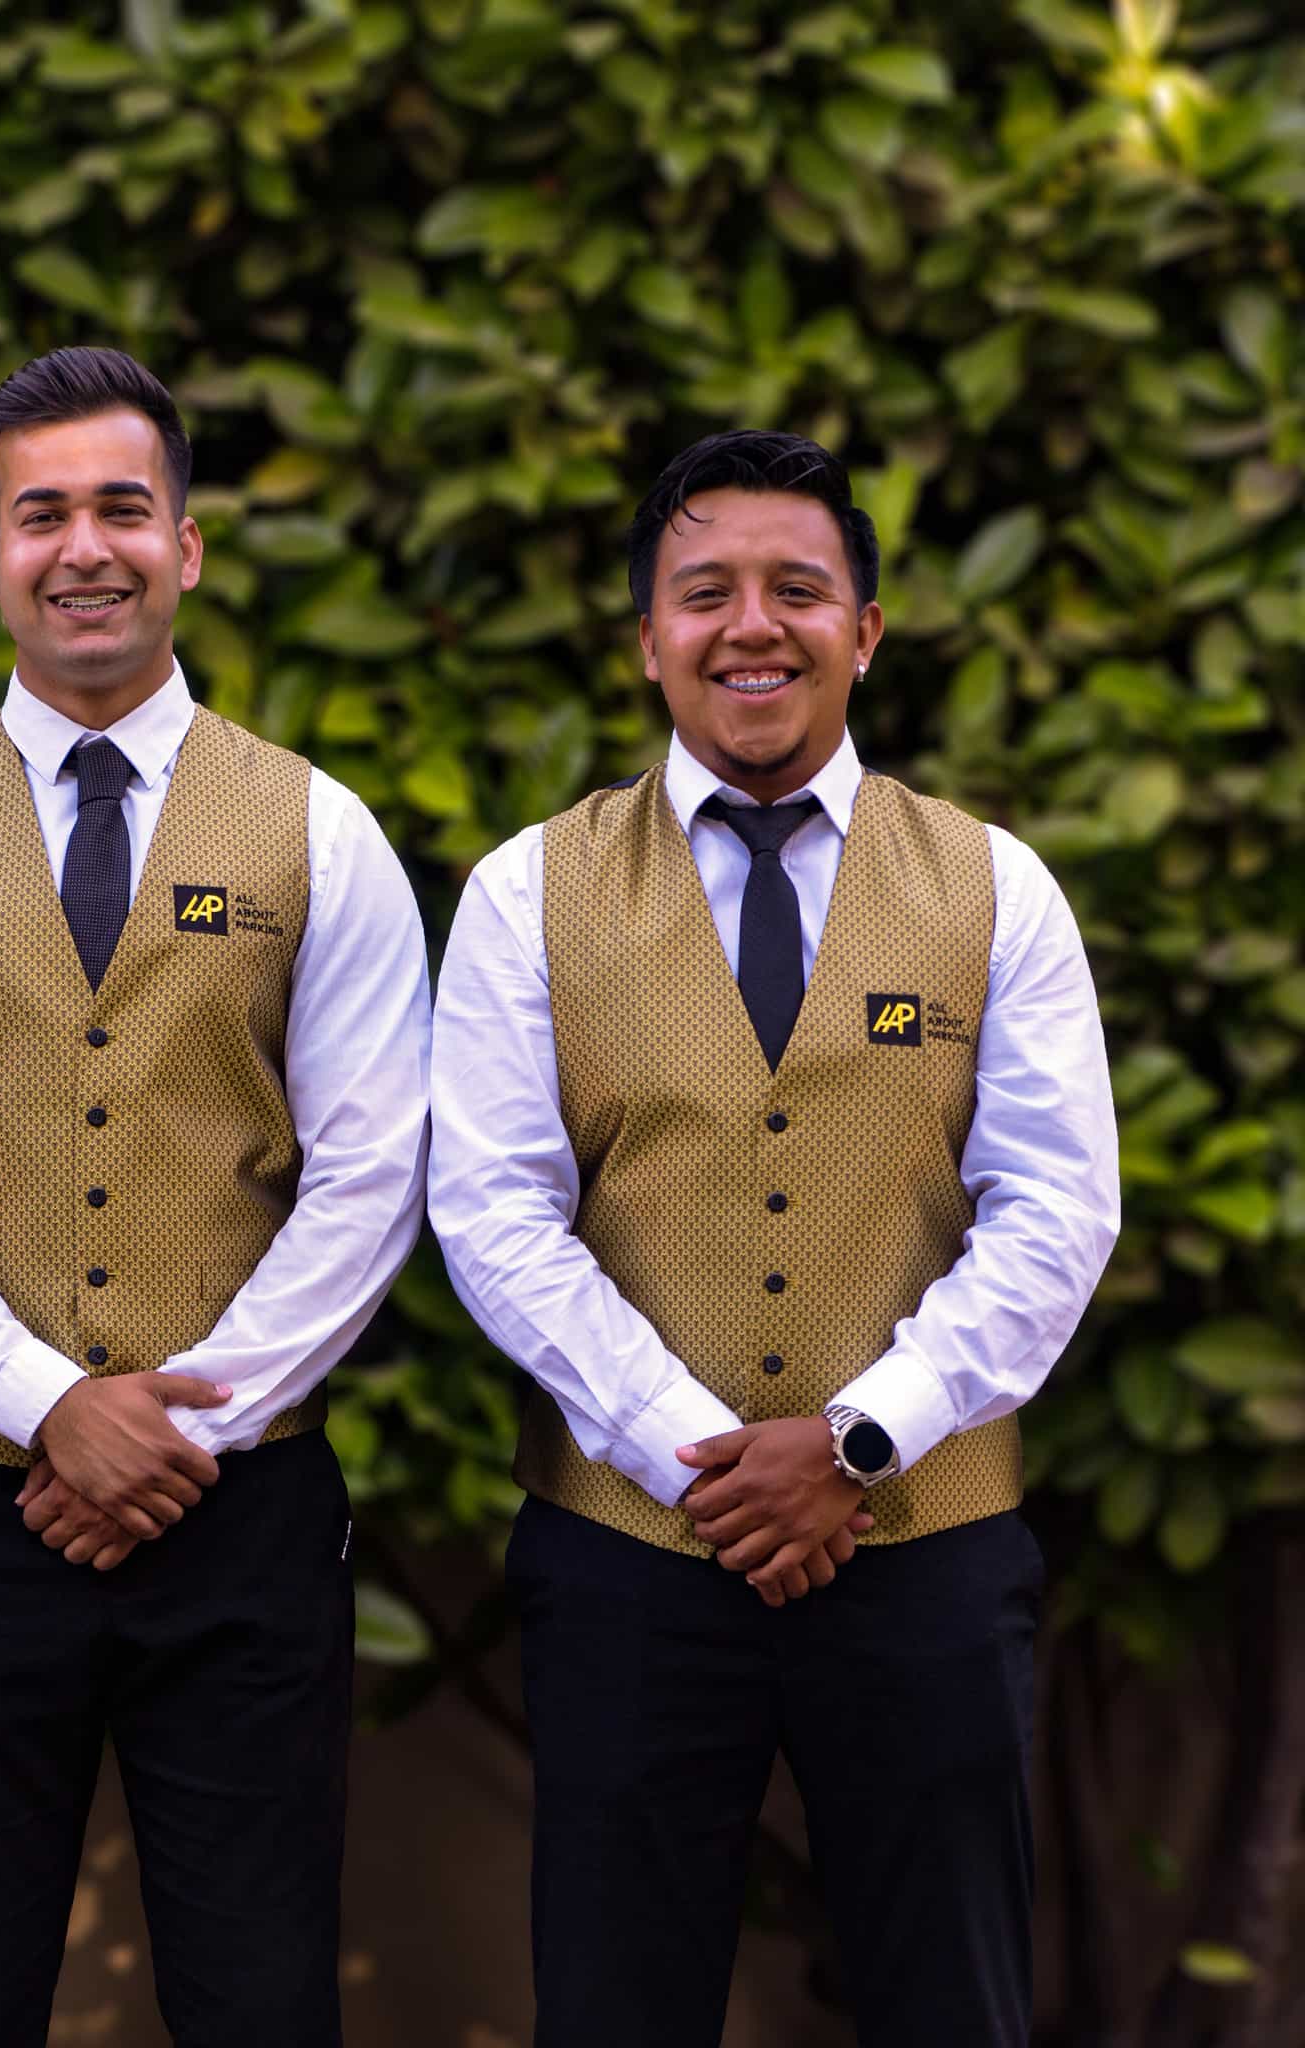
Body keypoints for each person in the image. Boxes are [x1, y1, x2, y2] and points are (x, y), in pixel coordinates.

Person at [427, 428, 1120, 2046]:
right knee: (615, 2003)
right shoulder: (527, 892)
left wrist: (860, 1439)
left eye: (798, 590)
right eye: (705, 593)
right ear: (648, 640)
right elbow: (496, 1210)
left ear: (864, 631)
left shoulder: (995, 887)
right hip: (629, 1562)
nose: (753, 625)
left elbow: (1056, 1205)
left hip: (930, 1553)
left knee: (950, 2001)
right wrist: (704, 1459)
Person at [0, 346, 431, 2045]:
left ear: (188, 549)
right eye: (41, 514)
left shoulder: (319, 831)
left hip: (248, 1513)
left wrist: (183, 1428)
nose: (85, 548)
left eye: (122, 510)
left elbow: (370, 1174)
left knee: (262, 1989)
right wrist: (51, 1407)